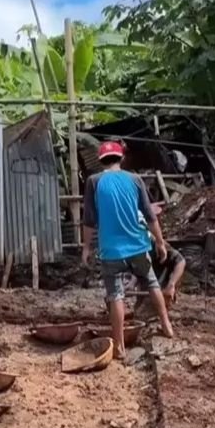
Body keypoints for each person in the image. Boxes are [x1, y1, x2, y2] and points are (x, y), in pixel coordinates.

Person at [82, 141, 174, 359]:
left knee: (115, 295)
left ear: (101, 161)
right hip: (137, 246)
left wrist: (86, 247)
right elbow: (150, 216)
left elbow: (89, 220)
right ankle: (167, 325)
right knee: (152, 283)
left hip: (111, 250)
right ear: (121, 158)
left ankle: (120, 346)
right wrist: (160, 243)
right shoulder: (134, 179)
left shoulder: (94, 181)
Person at [135, 203, 186, 315]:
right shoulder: (135, 244)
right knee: (137, 313)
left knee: (146, 315)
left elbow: (181, 261)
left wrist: (171, 285)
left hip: (161, 288)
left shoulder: (155, 244)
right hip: (146, 289)